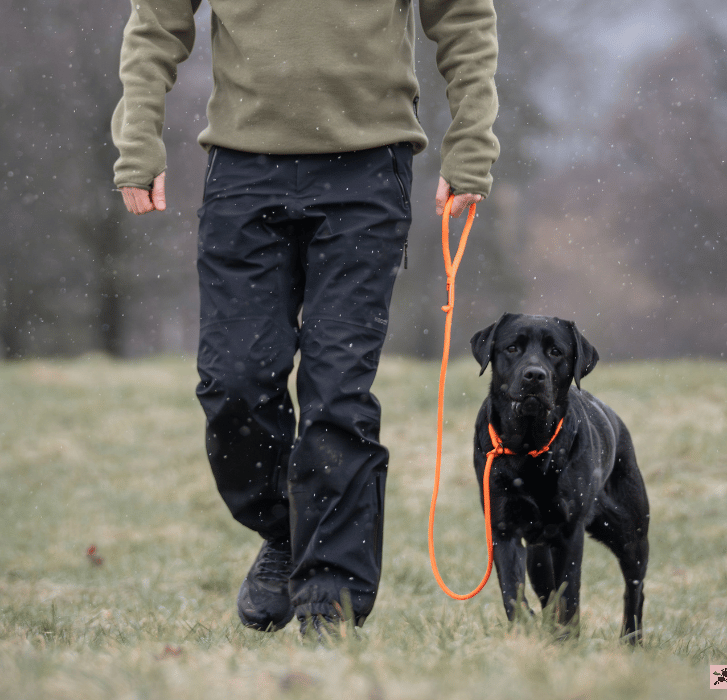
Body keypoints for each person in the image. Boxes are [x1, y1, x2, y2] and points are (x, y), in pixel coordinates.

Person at [112, 0, 499, 636]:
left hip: (369, 171)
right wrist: (137, 140)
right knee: (234, 383)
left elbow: (463, 21)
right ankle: (285, 530)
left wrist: (471, 142)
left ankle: (332, 597)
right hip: (242, 169)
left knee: (337, 392)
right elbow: (157, 23)